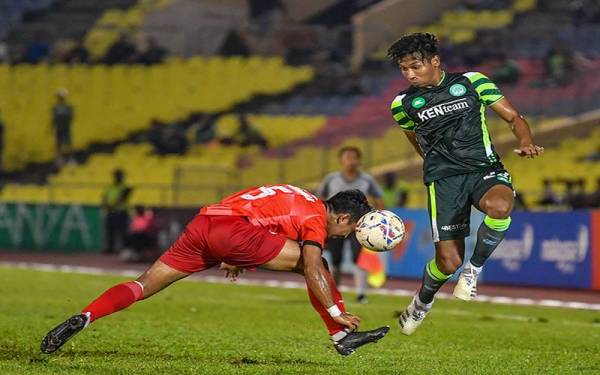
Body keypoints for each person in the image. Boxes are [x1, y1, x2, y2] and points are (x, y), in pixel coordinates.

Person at [40, 186, 389, 356]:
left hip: (204, 223)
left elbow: (261, 217)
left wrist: (238, 255)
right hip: (234, 233)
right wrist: (335, 311)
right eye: (351, 229)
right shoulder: (316, 218)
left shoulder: (298, 195)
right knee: (318, 264)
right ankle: (341, 334)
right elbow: (312, 267)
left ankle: (85, 315)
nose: (348, 235)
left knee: (142, 284)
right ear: (342, 217)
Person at [387, 33, 544, 335]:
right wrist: (437, 164)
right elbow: (416, 142)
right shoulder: (402, 104)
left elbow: (514, 117)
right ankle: (422, 302)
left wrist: (526, 141)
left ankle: (473, 271)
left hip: (483, 168)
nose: (410, 74)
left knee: (499, 206)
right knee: (447, 262)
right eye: (404, 69)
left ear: (435, 61)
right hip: (443, 182)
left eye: (416, 66)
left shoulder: (473, 82)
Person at [318, 147, 385, 304]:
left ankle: (361, 293)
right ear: (341, 160)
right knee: (336, 259)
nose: (351, 161)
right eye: (348, 157)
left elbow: (379, 198)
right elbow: (320, 199)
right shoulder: (331, 179)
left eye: (354, 157)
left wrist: (379, 218)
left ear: (359, 160)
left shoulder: (367, 180)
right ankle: (333, 293)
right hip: (335, 225)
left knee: (359, 257)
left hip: (359, 226)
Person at [102, 169, 132, 254]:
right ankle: (110, 248)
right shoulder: (110, 186)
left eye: (120, 175)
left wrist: (111, 206)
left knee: (123, 232)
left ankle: (124, 249)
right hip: (111, 211)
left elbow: (122, 198)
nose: (119, 177)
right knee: (110, 231)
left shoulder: (125, 187)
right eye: (117, 175)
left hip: (121, 212)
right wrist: (106, 206)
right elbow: (104, 197)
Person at [52, 89, 74, 165]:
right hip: (59, 128)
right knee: (59, 144)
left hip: (66, 128)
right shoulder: (55, 108)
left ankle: (70, 159)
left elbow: (71, 117)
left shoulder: (68, 107)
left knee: (68, 144)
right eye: (60, 97)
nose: (61, 99)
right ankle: (59, 159)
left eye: (62, 97)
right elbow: (54, 118)